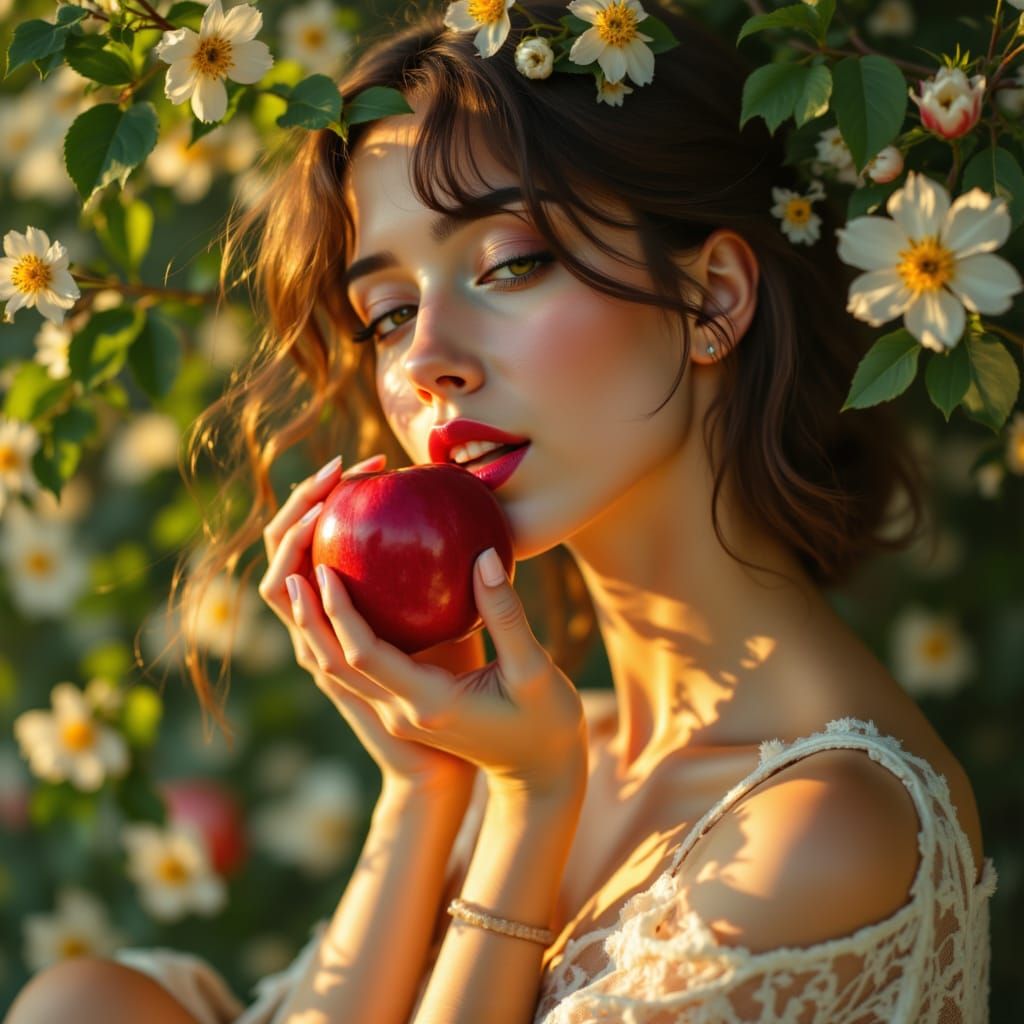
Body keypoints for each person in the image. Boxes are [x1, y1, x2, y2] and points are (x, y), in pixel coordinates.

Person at [5, 1, 997, 1022]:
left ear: (710, 299)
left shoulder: (831, 831)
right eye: (387, 313)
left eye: (510, 263)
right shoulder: (537, 744)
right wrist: (424, 786)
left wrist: (530, 810)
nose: (427, 356)